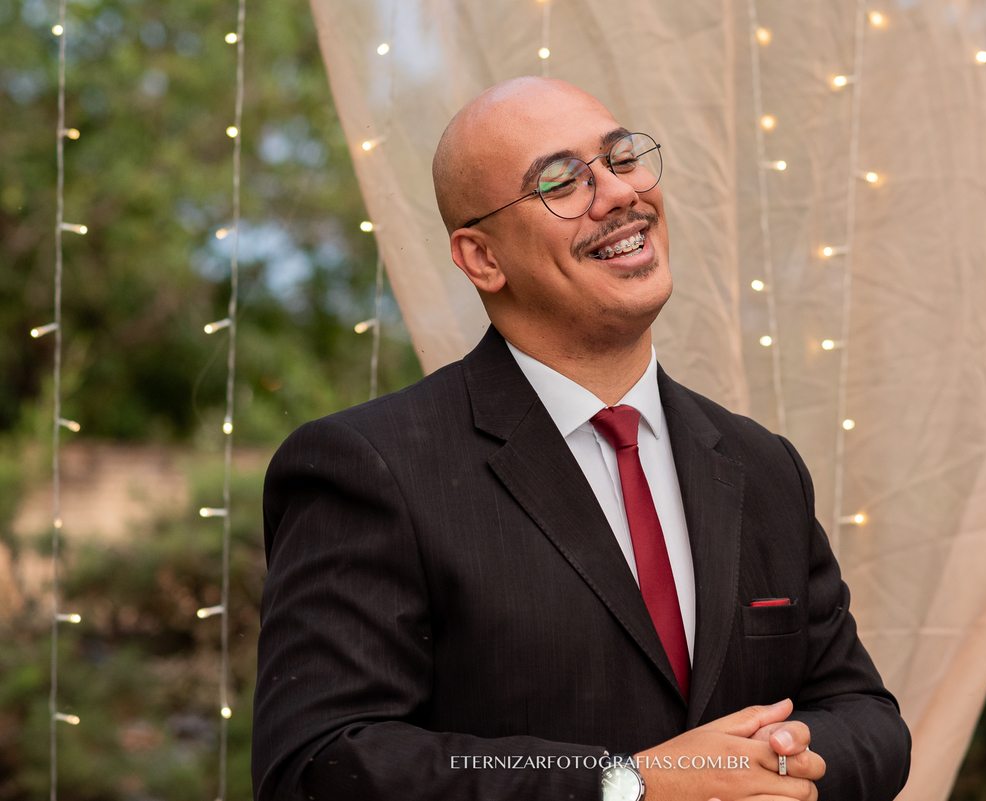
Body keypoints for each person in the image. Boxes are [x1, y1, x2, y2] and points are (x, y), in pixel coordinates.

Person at [252, 77, 910, 801]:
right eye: (561, 181)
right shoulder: (369, 467)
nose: (620, 193)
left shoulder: (763, 464)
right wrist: (626, 784)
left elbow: (865, 717)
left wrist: (782, 763)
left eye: (622, 158)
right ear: (482, 258)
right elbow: (320, 764)